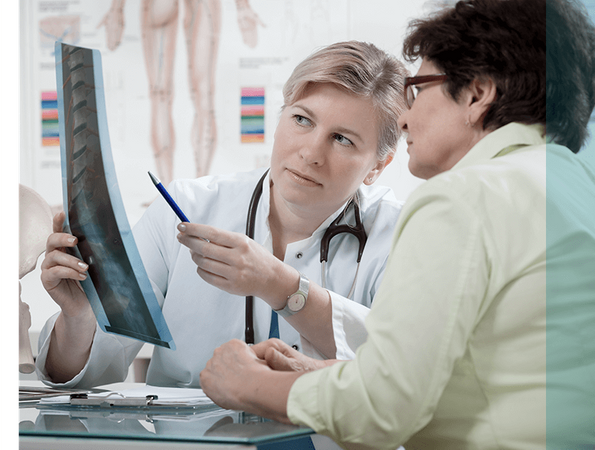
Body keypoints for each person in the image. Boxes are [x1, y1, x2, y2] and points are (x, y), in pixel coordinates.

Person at [199, 0, 595, 448]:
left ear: (478, 94)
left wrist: (246, 385)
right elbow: (500, 376)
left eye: (419, 88)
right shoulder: (576, 185)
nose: (405, 116)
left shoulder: (464, 198)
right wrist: (321, 374)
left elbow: (383, 410)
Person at [36, 41, 410, 388]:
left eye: (342, 139)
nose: (311, 153)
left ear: (378, 165)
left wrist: (279, 286)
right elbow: (90, 378)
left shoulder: (403, 236)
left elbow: (402, 373)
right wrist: (80, 318)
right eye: (302, 120)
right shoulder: (184, 210)